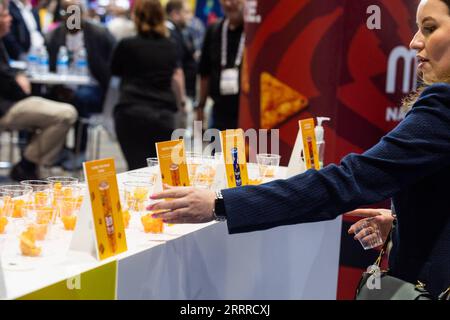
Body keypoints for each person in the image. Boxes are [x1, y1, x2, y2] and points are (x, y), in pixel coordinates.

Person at [149, 0, 450, 299]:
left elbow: (347, 180)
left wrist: (219, 204)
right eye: (417, 29)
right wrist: (402, 226)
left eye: (430, 28)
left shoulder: (441, 107)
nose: (413, 42)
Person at [0, 0, 77, 181]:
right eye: (4, 15)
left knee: (65, 107)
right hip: (6, 107)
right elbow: (6, 81)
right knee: (66, 113)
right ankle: (28, 165)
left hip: (14, 100)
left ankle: (30, 165)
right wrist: (18, 80)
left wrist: (18, 74)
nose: (9, 19)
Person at [110, 0, 185, 170]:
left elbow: (115, 71)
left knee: (135, 169)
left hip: (130, 112)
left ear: (136, 17)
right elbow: (176, 76)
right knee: (162, 172)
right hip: (162, 115)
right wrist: (181, 104)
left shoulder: (126, 44)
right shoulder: (171, 46)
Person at [45, 0, 115, 169]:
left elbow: (114, 64)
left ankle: (79, 150)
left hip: (94, 87)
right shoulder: (54, 36)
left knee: (79, 99)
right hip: (62, 85)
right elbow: (48, 65)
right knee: (49, 100)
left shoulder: (99, 34)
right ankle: (57, 150)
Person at [196, 0, 245, 130]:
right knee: (219, 150)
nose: (229, 4)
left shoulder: (254, 32)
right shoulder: (214, 30)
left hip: (246, 115)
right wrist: (200, 106)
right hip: (219, 114)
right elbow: (204, 72)